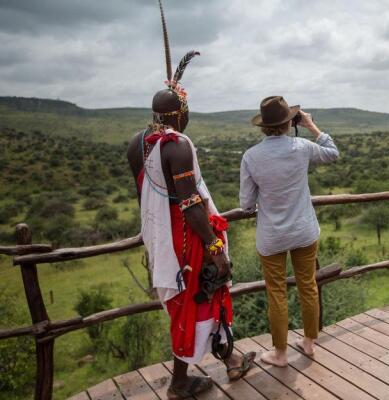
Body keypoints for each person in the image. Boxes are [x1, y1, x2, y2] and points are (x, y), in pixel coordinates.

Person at [126, 2, 253, 399]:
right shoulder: (177, 144)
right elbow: (189, 203)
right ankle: (180, 383)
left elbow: (146, 197)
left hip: (161, 236)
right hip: (186, 238)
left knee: (202, 295)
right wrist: (214, 247)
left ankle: (230, 359)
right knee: (197, 295)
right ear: (179, 113)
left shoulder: (137, 142)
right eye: (187, 108)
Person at [240, 96, 339, 366]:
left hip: (272, 236)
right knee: (308, 286)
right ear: (289, 122)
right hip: (304, 230)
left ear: (263, 126)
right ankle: (308, 343)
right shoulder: (302, 147)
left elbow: (246, 204)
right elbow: (332, 153)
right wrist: (312, 126)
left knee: (276, 293)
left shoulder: (251, 157)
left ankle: (280, 354)